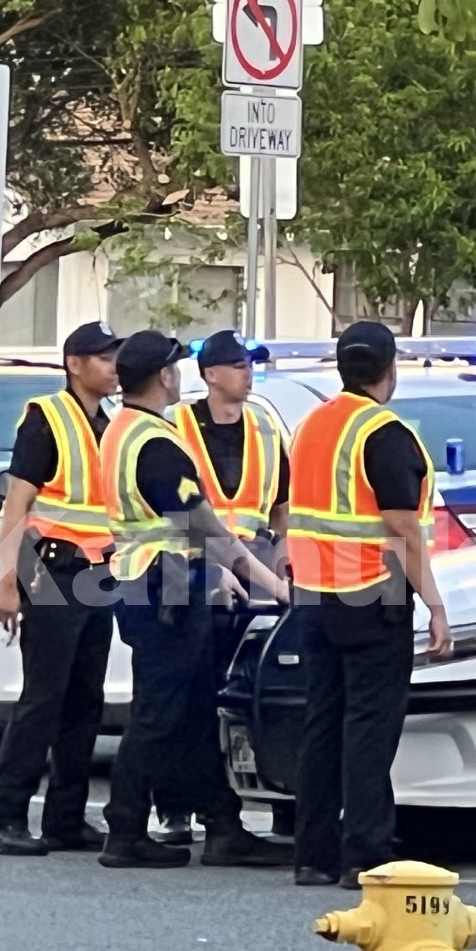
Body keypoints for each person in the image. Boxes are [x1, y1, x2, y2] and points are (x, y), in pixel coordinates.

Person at [96, 329, 297, 869]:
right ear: (165, 376)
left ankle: (221, 824)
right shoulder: (156, 444)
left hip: (155, 581)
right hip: (165, 587)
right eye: (175, 366)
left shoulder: (124, 430)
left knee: (188, 711)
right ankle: (126, 830)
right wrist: (274, 585)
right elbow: (205, 528)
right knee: (160, 714)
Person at [290, 322, 453, 888]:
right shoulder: (384, 433)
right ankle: (364, 853)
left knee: (323, 723)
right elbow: (404, 527)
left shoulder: (310, 426)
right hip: (372, 595)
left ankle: (312, 854)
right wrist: (435, 605)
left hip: (313, 595)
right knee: (369, 728)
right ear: (390, 369)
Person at [0, 321, 121, 857]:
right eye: (103, 357)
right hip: (51, 571)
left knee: (86, 700)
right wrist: (7, 582)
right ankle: (4, 815)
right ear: (74, 364)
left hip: (96, 574)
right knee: (44, 696)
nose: (113, 367)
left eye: (115, 357)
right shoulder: (47, 418)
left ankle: (66, 818)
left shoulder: (110, 423)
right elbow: (16, 505)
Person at [152, 329, 291, 847]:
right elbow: (173, 511)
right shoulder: (176, 426)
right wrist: (217, 566)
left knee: (242, 699)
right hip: (193, 573)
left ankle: (242, 809)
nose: (247, 373)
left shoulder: (265, 429)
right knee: (186, 700)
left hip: (254, 574)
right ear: (210, 374)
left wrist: (282, 550)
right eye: (237, 365)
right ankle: (175, 809)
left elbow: (281, 503)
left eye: (251, 364)